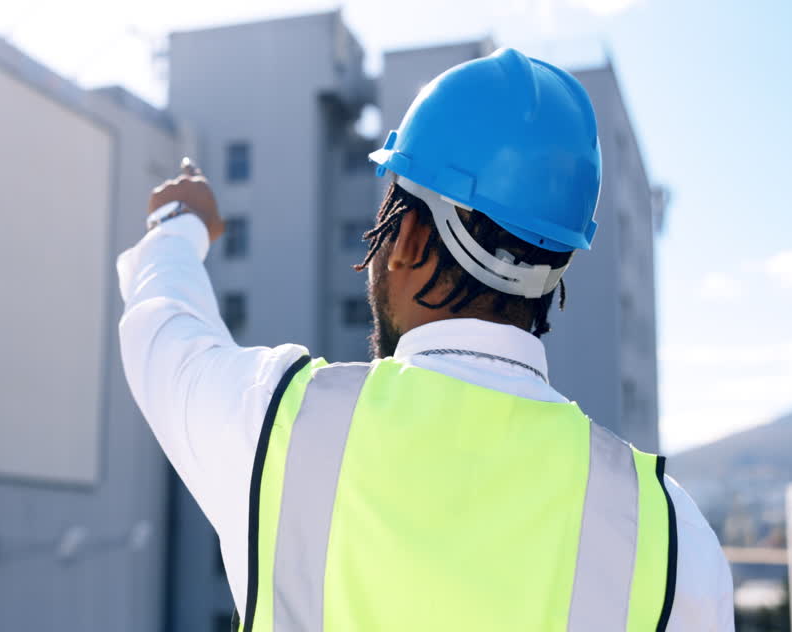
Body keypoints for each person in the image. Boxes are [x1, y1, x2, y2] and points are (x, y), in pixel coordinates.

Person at [118, 48, 733, 630]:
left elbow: (165, 327)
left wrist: (178, 226)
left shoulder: (277, 425)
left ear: (407, 237)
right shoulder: (673, 538)